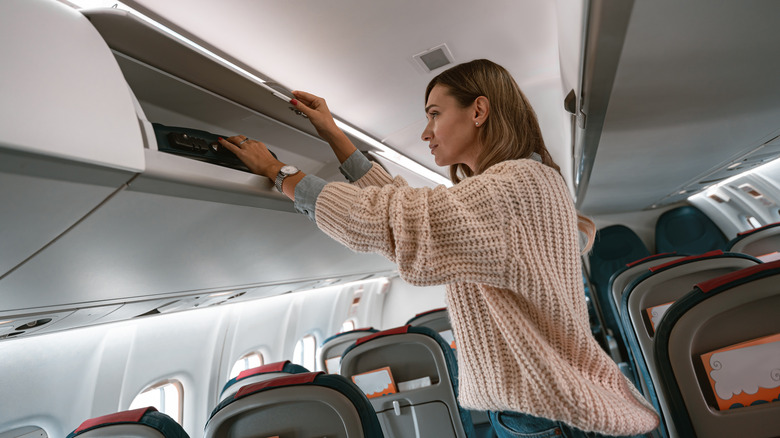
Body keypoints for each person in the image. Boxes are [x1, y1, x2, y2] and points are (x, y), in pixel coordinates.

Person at [217, 59, 659, 437]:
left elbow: (393, 222)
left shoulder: (512, 189)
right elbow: (410, 215)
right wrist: (334, 135)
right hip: (548, 407)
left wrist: (281, 173)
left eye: (434, 114)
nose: (427, 132)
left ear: (479, 110)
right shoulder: (527, 181)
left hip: (546, 414)